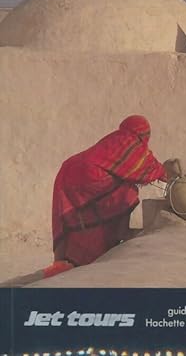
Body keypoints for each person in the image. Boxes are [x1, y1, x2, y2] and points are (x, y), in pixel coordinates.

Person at [47, 115, 171, 276]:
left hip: (68, 169)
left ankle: (66, 259)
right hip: (88, 174)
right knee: (127, 194)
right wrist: (165, 173)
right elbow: (148, 168)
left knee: (76, 214)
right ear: (144, 133)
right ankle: (120, 235)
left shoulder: (114, 138)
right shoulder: (130, 142)